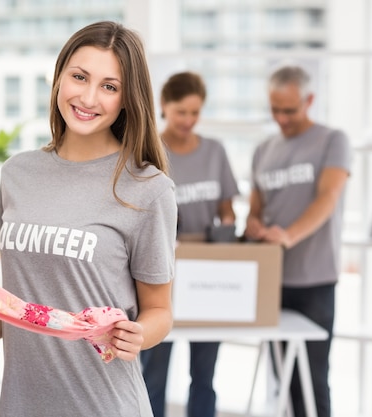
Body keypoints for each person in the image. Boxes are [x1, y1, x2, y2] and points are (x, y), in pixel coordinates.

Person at [0, 21, 177, 417]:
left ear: (127, 99)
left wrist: (139, 336)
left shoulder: (148, 188)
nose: (88, 96)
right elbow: (28, 297)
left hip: (105, 404)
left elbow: (160, 311)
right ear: (59, 77)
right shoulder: (17, 173)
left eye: (109, 86)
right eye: (79, 77)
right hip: (20, 404)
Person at [244, 64, 351, 417]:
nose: (281, 118)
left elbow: (328, 199)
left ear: (310, 100)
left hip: (315, 280)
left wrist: (288, 235)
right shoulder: (263, 150)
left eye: (289, 110)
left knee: (314, 379)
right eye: (275, 109)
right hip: (273, 279)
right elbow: (256, 205)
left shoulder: (333, 140)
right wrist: (255, 224)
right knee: (282, 377)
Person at [140, 72, 239, 417]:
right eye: (181, 112)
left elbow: (227, 210)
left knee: (205, 372)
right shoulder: (148, 150)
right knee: (153, 371)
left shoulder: (214, 151)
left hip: (204, 277)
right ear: (164, 106)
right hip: (158, 276)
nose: (188, 120)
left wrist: (227, 227)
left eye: (195, 113)